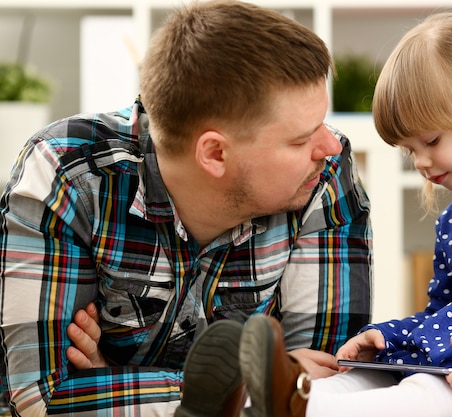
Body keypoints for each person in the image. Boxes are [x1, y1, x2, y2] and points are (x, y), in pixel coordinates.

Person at [204, 10, 452, 417]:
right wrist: (386, 334)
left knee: (427, 390)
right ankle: (260, 401)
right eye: (410, 150)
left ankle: (290, 409)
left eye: (431, 140)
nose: (420, 161)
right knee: (361, 377)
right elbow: (442, 315)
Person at [0, 0, 373, 415]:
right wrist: (252, 387)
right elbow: (38, 398)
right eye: (301, 138)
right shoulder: (69, 172)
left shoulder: (324, 172)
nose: (331, 145)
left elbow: (324, 387)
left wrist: (108, 379)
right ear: (214, 153)